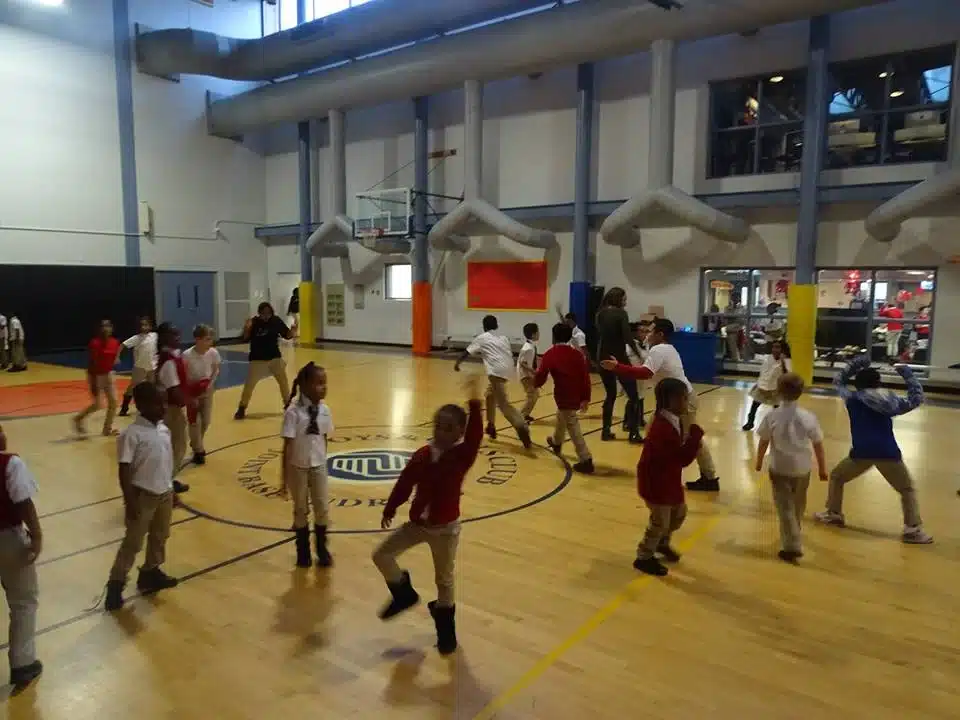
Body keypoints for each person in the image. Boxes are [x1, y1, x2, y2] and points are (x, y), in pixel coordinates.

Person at [372, 376, 483, 656]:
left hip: (446, 530)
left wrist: (475, 400)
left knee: (444, 581)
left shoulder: (462, 456)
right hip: (417, 525)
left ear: (460, 433)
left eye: (449, 429)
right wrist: (391, 506)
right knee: (381, 556)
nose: (441, 433)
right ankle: (404, 593)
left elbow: (476, 435)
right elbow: (405, 482)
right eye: (437, 427)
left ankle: (446, 635)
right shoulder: (422, 454)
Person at [813, 355, 932, 544]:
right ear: (878, 383)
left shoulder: (853, 399)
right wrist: (905, 371)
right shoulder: (890, 400)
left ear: (859, 384)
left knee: (837, 477)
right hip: (888, 453)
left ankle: (834, 513)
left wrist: (857, 363)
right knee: (906, 489)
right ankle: (913, 529)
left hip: (861, 453)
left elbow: (839, 381)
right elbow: (916, 397)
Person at [601, 318, 720, 492]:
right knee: (652, 431)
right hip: (672, 401)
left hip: (682, 400)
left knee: (692, 439)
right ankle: (655, 470)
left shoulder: (659, 349)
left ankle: (709, 478)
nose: (647, 334)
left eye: (650, 331)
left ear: (660, 334)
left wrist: (617, 367)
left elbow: (645, 373)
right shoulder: (665, 349)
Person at [104, 383, 179, 611]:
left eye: (164, 402)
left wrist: (171, 489)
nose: (163, 407)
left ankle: (150, 572)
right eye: (157, 403)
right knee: (133, 543)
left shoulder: (164, 430)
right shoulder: (131, 434)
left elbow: (166, 463)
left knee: (160, 535)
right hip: (142, 495)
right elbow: (124, 469)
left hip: (164, 492)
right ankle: (115, 584)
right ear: (141, 405)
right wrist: (130, 501)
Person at [631, 378, 704, 577]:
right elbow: (682, 459)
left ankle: (662, 542)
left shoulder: (674, 419)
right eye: (683, 398)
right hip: (655, 482)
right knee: (659, 521)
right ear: (671, 400)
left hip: (668, 478)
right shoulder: (661, 428)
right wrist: (695, 437)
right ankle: (643, 556)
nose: (686, 402)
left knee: (679, 514)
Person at [754, 373, 828, 563]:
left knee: (784, 506)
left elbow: (763, 441)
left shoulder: (772, 416)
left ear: (778, 392)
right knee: (798, 504)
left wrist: (759, 460)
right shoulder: (808, 417)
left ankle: (792, 545)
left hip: (779, 467)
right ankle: (794, 533)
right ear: (801, 392)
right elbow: (818, 443)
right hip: (803, 468)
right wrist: (822, 468)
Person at [0, 423, 44, 688]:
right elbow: (23, 501)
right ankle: (22, 664)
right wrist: (36, 535)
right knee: (23, 601)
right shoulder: (10, 464)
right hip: (7, 537)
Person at [281, 362, 334, 568]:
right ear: (305, 386)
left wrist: (323, 460)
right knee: (301, 509)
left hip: (318, 465)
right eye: (319, 383)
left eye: (325, 383)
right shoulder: (293, 413)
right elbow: (286, 447)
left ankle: (322, 548)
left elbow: (324, 438)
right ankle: (302, 551)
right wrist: (283, 479)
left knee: (322, 507)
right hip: (298, 467)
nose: (324, 387)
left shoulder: (325, 410)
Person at [453, 315, 531, 449]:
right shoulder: (504, 338)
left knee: (504, 405)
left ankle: (521, 426)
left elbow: (466, 352)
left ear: (484, 326)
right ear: (497, 326)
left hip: (496, 371)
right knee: (490, 395)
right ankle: (491, 425)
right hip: (508, 369)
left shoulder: (482, 338)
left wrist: (457, 363)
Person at [534, 323, 594, 474]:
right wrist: (586, 397)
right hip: (577, 392)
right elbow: (585, 377)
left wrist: (535, 383)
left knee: (572, 425)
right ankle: (556, 442)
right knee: (562, 417)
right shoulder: (578, 354)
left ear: (554, 336)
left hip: (563, 393)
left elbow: (541, 375)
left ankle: (585, 459)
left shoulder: (550, 354)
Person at [595, 287, 643, 443]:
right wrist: (638, 353)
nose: (625, 301)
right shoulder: (621, 314)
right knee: (634, 396)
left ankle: (605, 430)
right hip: (619, 357)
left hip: (602, 355)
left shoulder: (600, 313)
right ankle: (634, 432)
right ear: (618, 299)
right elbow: (627, 337)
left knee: (610, 395)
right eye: (624, 299)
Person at [234, 302, 294, 420]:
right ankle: (242, 407)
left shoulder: (276, 321)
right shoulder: (254, 322)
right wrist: (247, 328)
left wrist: (292, 331)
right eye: (263, 314)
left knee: (283, 382)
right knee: (249, 385)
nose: (266, 316)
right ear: (259, 313)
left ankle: (288, 405)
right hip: (257, 358)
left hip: (274, 357)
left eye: (268, 313)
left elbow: (286, 335)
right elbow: (244, 338)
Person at [155, 323, 190, 495]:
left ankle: (167, 481)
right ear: (164, 338)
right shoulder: (168, 362)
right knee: (177, 447)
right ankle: (166, 486)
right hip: (171, 409)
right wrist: (190, 402)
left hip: (170, 408)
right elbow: (174, 391)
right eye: (173, 335)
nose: (178, 337)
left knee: (173, 448)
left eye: (178, 334)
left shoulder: (173, 355)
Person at [74, 319, 122, 437]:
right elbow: (92, 363)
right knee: (97, 404)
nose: (105, 328)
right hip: (96, 375)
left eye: (108, 326)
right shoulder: (94, 343)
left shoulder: (115, 342)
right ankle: (79, 418)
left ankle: (107, 429)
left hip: (109, 374)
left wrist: (115, 360)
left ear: (112, 328)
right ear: (99, 329)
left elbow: (115, 356)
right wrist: (94, 383)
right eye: (103, 326)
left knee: (114, 402)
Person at [183, 324, 221, 466]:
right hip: (192, 391)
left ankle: (195, 443)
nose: (210, 342)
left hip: (207, 390)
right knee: (194, 422)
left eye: (210, 339)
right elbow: (184, 376)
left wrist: (210, 385)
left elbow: (216, 370)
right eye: (207, 339)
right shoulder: (187, 355)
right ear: (197, 339)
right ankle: (199, 450)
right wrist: (189, 393)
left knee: (205, 420)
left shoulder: (213, 353)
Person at [742, 340, 791, 431]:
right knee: (754, 405)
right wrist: (761, 385)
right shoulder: (768, 358)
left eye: (778, 347)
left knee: (777, 408)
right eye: (773, 347)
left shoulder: (786, 360)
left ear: (783, 349)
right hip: (763, 386)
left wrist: (783, 362)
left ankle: (779, 425)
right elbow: (764, 373)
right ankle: (750, 422)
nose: (775, 349)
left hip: (776, 388)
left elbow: (787, 374)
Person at [119, 316, 158, 417]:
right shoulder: (136, 338)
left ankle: (149, 407)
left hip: (152, 367)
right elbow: (122, 345)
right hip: (140, 367)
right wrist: (117, 357)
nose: (144, 327)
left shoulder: (155, 336)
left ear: (150, 326)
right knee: (133, 387)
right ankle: (124, 408)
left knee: (152, 387)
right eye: (142, 325)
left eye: (146, 325)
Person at [624, 321, 649, 431]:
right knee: (632, 398)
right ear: (634, 333)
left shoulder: (646, 344)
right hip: (631, 375)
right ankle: (627, 422)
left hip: (641, 375)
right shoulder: (629, 346)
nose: (644, 334)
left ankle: (639, 419)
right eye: (641, 331)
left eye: (646, 331)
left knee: (641, 397)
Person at [517, 322, 540, 424]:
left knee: (534, 395)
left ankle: (525, 414)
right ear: (533, 334)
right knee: (532, 396)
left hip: (526, 374)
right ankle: (521, 416)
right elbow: (523, 363)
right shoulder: (528, 348)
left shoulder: (530, 346)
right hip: (525, 375)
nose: (539, 334)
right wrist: (534, 373)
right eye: (537, 332)